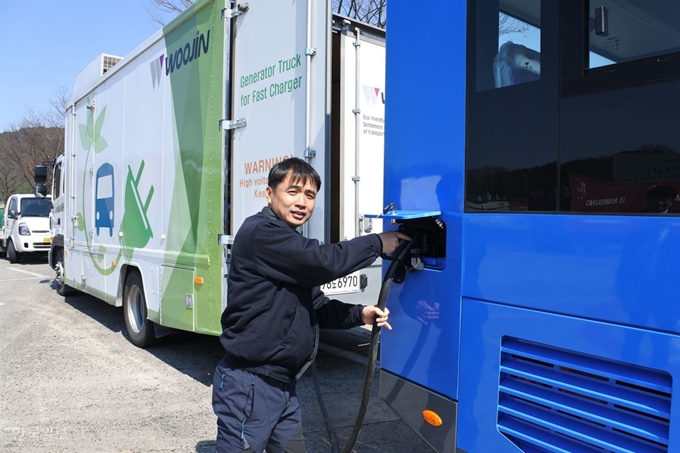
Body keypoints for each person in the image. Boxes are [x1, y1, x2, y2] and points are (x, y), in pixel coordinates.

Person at [212, 157, 410, 453]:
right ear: (269, 194)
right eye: (292, 192)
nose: (302, 202)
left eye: (310, 195)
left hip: (282, 385)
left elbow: (315, 305)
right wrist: (377, 243)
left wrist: (360, 314)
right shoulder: (261, 233)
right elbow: (323, 261)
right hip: (250, 384)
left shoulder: (286, 244)